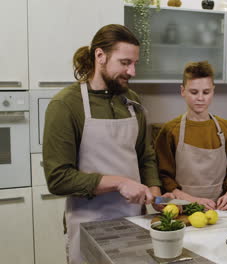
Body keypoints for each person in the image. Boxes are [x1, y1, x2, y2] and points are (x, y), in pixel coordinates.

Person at [42, 24, 164, 264]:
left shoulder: (132, 102)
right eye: (125, 62)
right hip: (88, 225)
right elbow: (58, 178)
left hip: (134, 221)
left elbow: (145, 156)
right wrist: (119, 183)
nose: (132, 71)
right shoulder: (66, 105)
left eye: (135, 63)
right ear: (100, 56)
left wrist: (156, 193)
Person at [154, 61, 227, 210]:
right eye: (193, 92)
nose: (200, 98)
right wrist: (191, 200)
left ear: (213, 91)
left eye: (206, 92)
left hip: (220, 210)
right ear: (182, 91)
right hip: (183, 208)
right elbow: (163, 176)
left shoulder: (226, 128)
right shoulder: (171, 130)